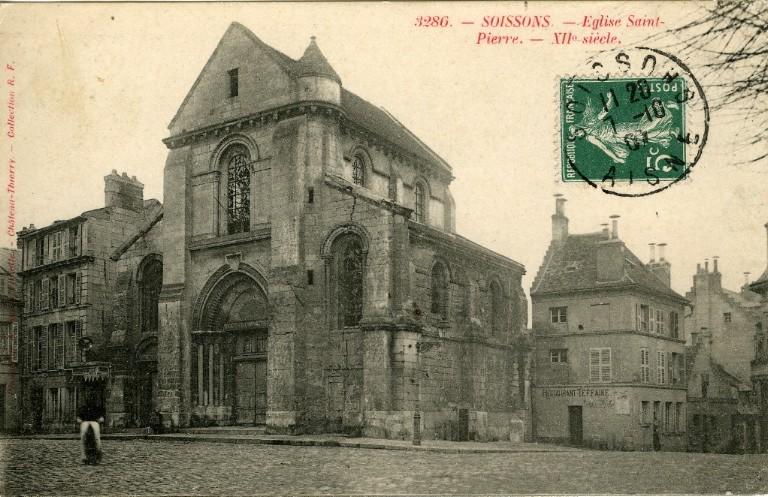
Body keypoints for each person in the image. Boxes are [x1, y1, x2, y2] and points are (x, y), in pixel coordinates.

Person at [77, 393, 105, 464]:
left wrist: (100, 419)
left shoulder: (97, 408)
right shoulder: (83, 408)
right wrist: (80, 420)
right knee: (83, 437)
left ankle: (98, 455)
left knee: (97, 437)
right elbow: (79, 418)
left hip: (94, 422)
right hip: (85, 422)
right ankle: (84, 456)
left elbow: (101, 418)